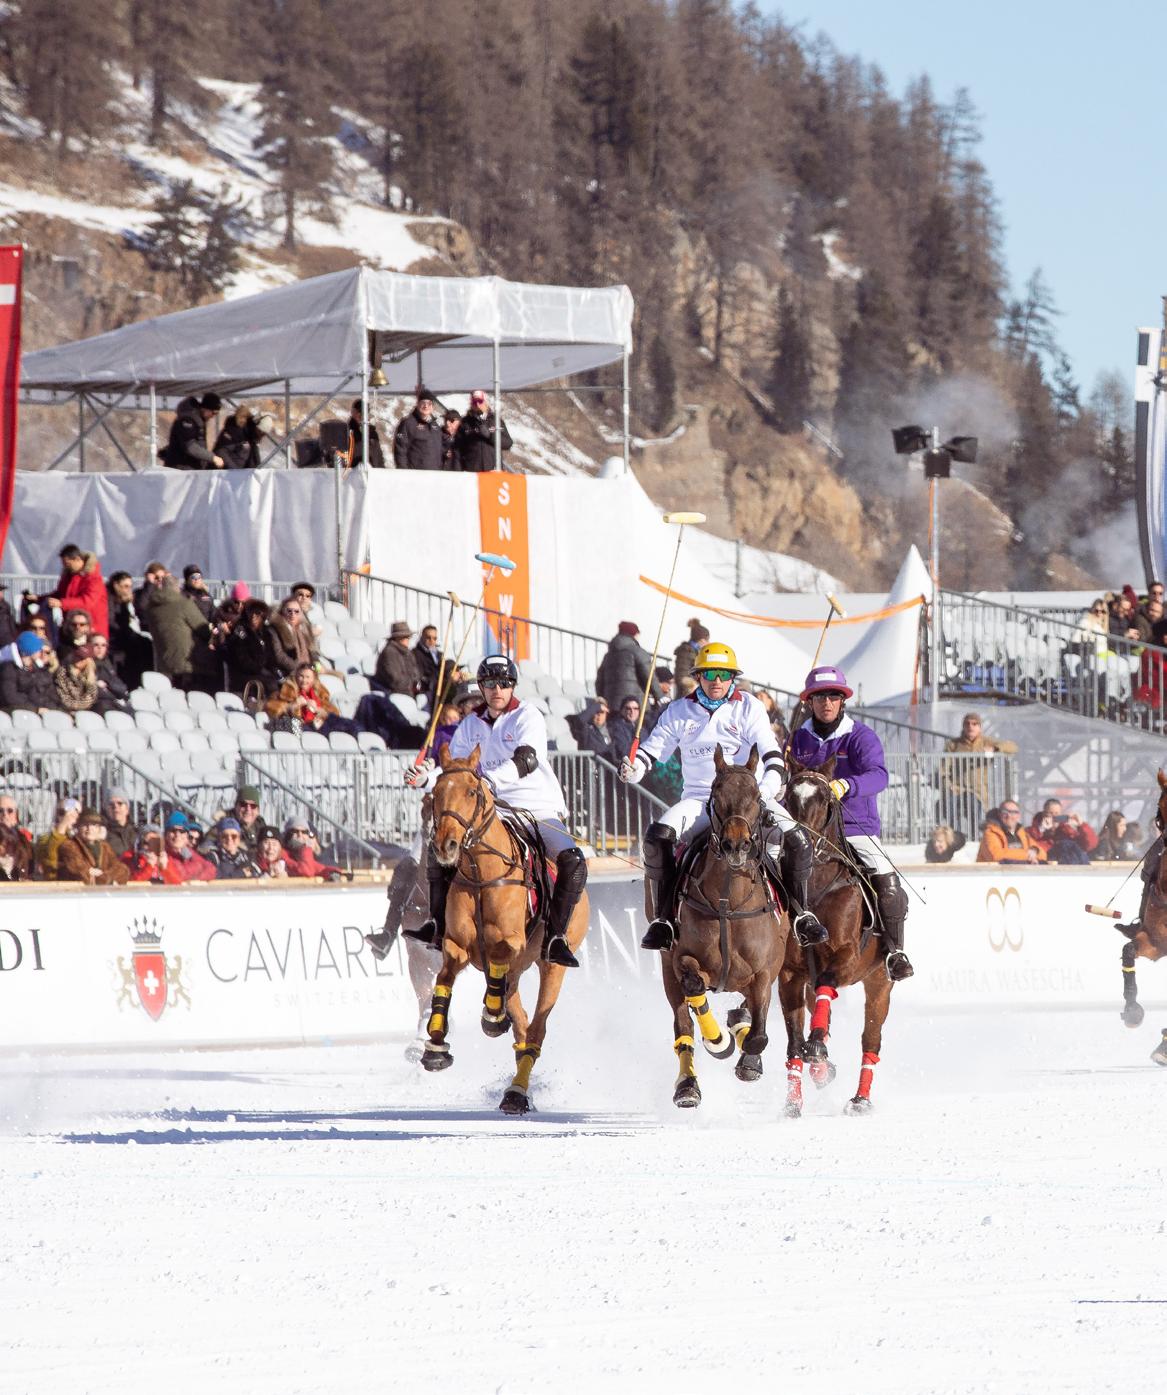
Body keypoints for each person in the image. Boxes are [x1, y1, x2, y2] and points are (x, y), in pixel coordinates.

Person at [620, 642, 828, 954]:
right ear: (698, 677)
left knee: (797, 839)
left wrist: (765, 790)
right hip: (700, 800)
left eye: (724, 674)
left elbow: (771, 753)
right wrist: (634, 768)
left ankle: (802, 915)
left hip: (748, 801)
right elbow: (652, 751)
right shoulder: (679, 711)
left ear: (732, 678)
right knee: (656, 837)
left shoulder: (748, 707)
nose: (717, 681)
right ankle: (664, 920)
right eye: (709, 674)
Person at [405, 654, 586, 968]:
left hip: (535, 807)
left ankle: (556, 937)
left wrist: (487, 780)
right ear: (481, 686)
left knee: (573, 860)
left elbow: (527, 759)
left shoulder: (527, 715)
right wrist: (426, 779)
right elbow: (455, 769)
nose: (497, 689)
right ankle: (437, 924)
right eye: (490, 683)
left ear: (512, 685)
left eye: (504, 683)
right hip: (490, 811)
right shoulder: (470, 724)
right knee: (439, 849)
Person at [788, 664, 914, 979]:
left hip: (855, 826)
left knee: (884, 875)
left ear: (842, 701)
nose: (827, 703)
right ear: (809, 702)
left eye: (833, 696)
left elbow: (879, 776)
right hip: (808, 827)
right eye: (820, 697)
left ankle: (894, 951)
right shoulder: (799, 738)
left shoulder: (860, 736)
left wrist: (848, 785)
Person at [941, 712, 1018, 838]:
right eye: (967, 724)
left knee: (975, 809)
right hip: (957, 789)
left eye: (974, 724)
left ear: (980, 727)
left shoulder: (987, 742)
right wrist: (948, 785)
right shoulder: (953, 745)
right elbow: (943, 770)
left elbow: (1013, 747)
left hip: (978, 792)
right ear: (963, 726)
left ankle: (975, 837)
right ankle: (956, 837)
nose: (970, 727)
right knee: (950, 808)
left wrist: (995, 749)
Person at [144, 575, 215, 692]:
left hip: (164, 662)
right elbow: (204, 630)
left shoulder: (152, 607)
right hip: (189, 662)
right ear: (177, 588)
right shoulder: (184, 604)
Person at [266, 662, 359, 738]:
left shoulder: (319, 694)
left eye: (307, 677)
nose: (304, 680)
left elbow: (334, 711)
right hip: (300, 726)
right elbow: (271, 707)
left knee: (349, 724)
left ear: (313, 679)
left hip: (319, 725)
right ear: (296, 677)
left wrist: (319, 710)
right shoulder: (287, 692)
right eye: (301, 676)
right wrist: (291, 707)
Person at [596, 621, 661, 712]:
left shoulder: (608, 656)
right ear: (634, 634)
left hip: (612, 707)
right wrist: (659, 696)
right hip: (635, 706)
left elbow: (599, 682)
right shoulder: (637, 652)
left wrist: (603, 700)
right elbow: (649, 676)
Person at [57, 809, 130, 885]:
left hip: (104, 890)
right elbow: (79, 871)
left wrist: (103, 876)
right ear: (78, 827)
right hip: (77, 890)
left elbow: (122, 869)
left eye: (94, 825)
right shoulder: (69, 845)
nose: (89, 829)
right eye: (85, 825)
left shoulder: (105, 847)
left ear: (99, 829)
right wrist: (108, 880)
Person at [226, 600, 282, 696]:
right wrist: (260, 669)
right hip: (244, 675)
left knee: (283, 682)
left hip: (262, 672)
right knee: (270, 683)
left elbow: (271, 657)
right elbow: (241, 659)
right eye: (251, 613)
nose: (253, 617)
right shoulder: (240, 631)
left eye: (258, 614)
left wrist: (274, 670)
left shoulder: (265, 633)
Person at [107, 571, 153, 689]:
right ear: (116, 585)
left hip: (121, 633)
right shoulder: (109, 599)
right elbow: (111, 622)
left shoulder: (121, 599)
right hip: (112, 636)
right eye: (125, 586)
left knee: (146, 644)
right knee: (139, 647)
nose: (128, 590)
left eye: (130, 586)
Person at [1, 631, 63, 712]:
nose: (41, 652)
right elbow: (10, 697)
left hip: (31, 710)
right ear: (31, 650)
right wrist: (35, 709)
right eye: (38, 649)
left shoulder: (32, 668)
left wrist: (56, 709)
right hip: (13, 712)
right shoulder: (9, 669)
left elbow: (35, 694)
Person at [161, 392, 224, 469]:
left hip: (191, 468)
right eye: (213, 413)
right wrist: (212, 457)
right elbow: (190, 446)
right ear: (205, 408)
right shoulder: (187, 421)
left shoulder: (199, 421)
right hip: (181, 469)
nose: (213, 416)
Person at [455, 389, 513, 472]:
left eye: (480, 401)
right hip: (473, 471)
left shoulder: (495, 420)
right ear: (471, 404)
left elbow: (508, 443)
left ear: (485, 402)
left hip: (493, 470)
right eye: (474, 402)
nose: (477, 405)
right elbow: (457, 450)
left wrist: (491, 436)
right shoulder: (465, 422)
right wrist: (459, 471)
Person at [977, 802, 1046, 864]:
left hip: (1018, 872)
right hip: (994, 873)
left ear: (1018, 815)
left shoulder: (1022, 833)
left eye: (1014, 812)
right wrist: (1027, 854)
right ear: (999, 814)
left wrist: (1034, 851)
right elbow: (995, 856)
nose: (1009, 816)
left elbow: (1043, 855)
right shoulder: (991, 832)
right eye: (1005, 812)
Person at [1027, 798, 1097, 858]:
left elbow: (1090, 845)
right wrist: (1040, 829)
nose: (1054, 817)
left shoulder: (1067, 832)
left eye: (1057, 814)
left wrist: (1081, 825)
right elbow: (1027, 845)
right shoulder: (1031, 832)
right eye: (1050, 813)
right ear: (1043, 815)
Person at [160, 811, 217, 883]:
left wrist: (198, 879)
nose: (177, 835)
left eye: (182, 831)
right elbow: (179, 875)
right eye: (173, 830)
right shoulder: (161, 854)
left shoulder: (189, 852)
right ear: (165, 835)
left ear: (187, 836)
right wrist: (198, 868)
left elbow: (211, 869)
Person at [393, 389, 443, 470]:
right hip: (415, 473)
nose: (426, 406)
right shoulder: (408, 423)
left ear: (432, 407)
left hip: (434, 473)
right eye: (423, 403)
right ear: (417, 404)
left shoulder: (435, 426)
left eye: (429, 403)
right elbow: (400, 450)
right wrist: (403, 472)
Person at [33, 797, 81, 878]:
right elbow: (49, 854)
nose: (67, 817)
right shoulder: (45, 838)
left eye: (73, 814)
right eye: (62, 813)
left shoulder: (82, 837)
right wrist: (62, 826)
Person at [269, 596, 318, 676]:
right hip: (289, 672)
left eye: (296, 611)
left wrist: (315, 667)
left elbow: (313, 651)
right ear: (282, 612)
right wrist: (298, 669)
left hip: (308, 671)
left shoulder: (305, 629)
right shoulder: (274, 630)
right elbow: (279, 656)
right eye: (289, 611)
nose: (292, 614)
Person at [373, 621, 421, 696]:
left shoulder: (408, 652)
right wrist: (412, 687)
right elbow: (395, 680)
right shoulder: (389, 653)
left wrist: (417, 685)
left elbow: (415, 673)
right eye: (407, 637)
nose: (408, 640)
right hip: (392, 692)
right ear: (399, 638)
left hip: (408, 690)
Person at [89, 633, 131, 714]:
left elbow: (122, 688)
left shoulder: (108, 664)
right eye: (96, 645)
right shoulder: (83, 664)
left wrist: (107, 684)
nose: (100, 648)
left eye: (103, 645)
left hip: (113, 703)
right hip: (97, 706)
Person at [346, 399, 385, 468]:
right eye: (358, 412)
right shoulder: (347, 432)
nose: (361, 415)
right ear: (353, 412)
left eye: (364, 412)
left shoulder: (372, 433)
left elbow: (379, 457)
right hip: (353, 472)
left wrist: (381, 470)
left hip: (373, 471)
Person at [673, 618, 710, 687]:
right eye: (707, 640)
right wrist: (695, 686)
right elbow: (682, 677)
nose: (708, 643)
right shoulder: (686, 652)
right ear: (702, 640)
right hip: (687, 691)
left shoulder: (694, 652)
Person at [412, 624, 442, 706]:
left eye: (434, 638)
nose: (432, 641)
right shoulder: (414, 654)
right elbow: (418, 674)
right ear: (422, 637)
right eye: (428, 638)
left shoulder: (439, 655)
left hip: (439, 688)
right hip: (425, 690)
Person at [103, 790, 138, 859]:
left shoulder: (137, 832)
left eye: (120, 803)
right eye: (111, 804)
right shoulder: (103, 834)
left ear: (127, 809)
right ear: (106, 809)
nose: (115, 807)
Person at [607, 695, 641, 762]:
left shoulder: (641, 727)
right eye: (628, 709)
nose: (632, 711)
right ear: (622, 710)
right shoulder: (616, 727)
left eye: (635, 708)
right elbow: (624, 750)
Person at [231, 786, 265, 852]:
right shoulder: (224, 827)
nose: (248, 809)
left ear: (258, 810)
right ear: (236, 806)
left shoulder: (261, 826)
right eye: (243, 804)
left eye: (253, 806)